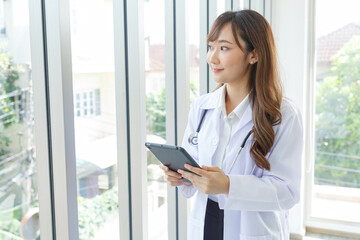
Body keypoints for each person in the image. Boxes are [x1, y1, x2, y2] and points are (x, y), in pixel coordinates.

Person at [160, 10, 303, 240]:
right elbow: (195, 162)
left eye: (224, 48)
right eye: (210, 46)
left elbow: (288, 192)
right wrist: (183, 176)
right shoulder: (202, 107)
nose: (211, 58)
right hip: (206, 222)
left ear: (253, 55)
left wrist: (228, 186)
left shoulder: (283, 115)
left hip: (253, 229)